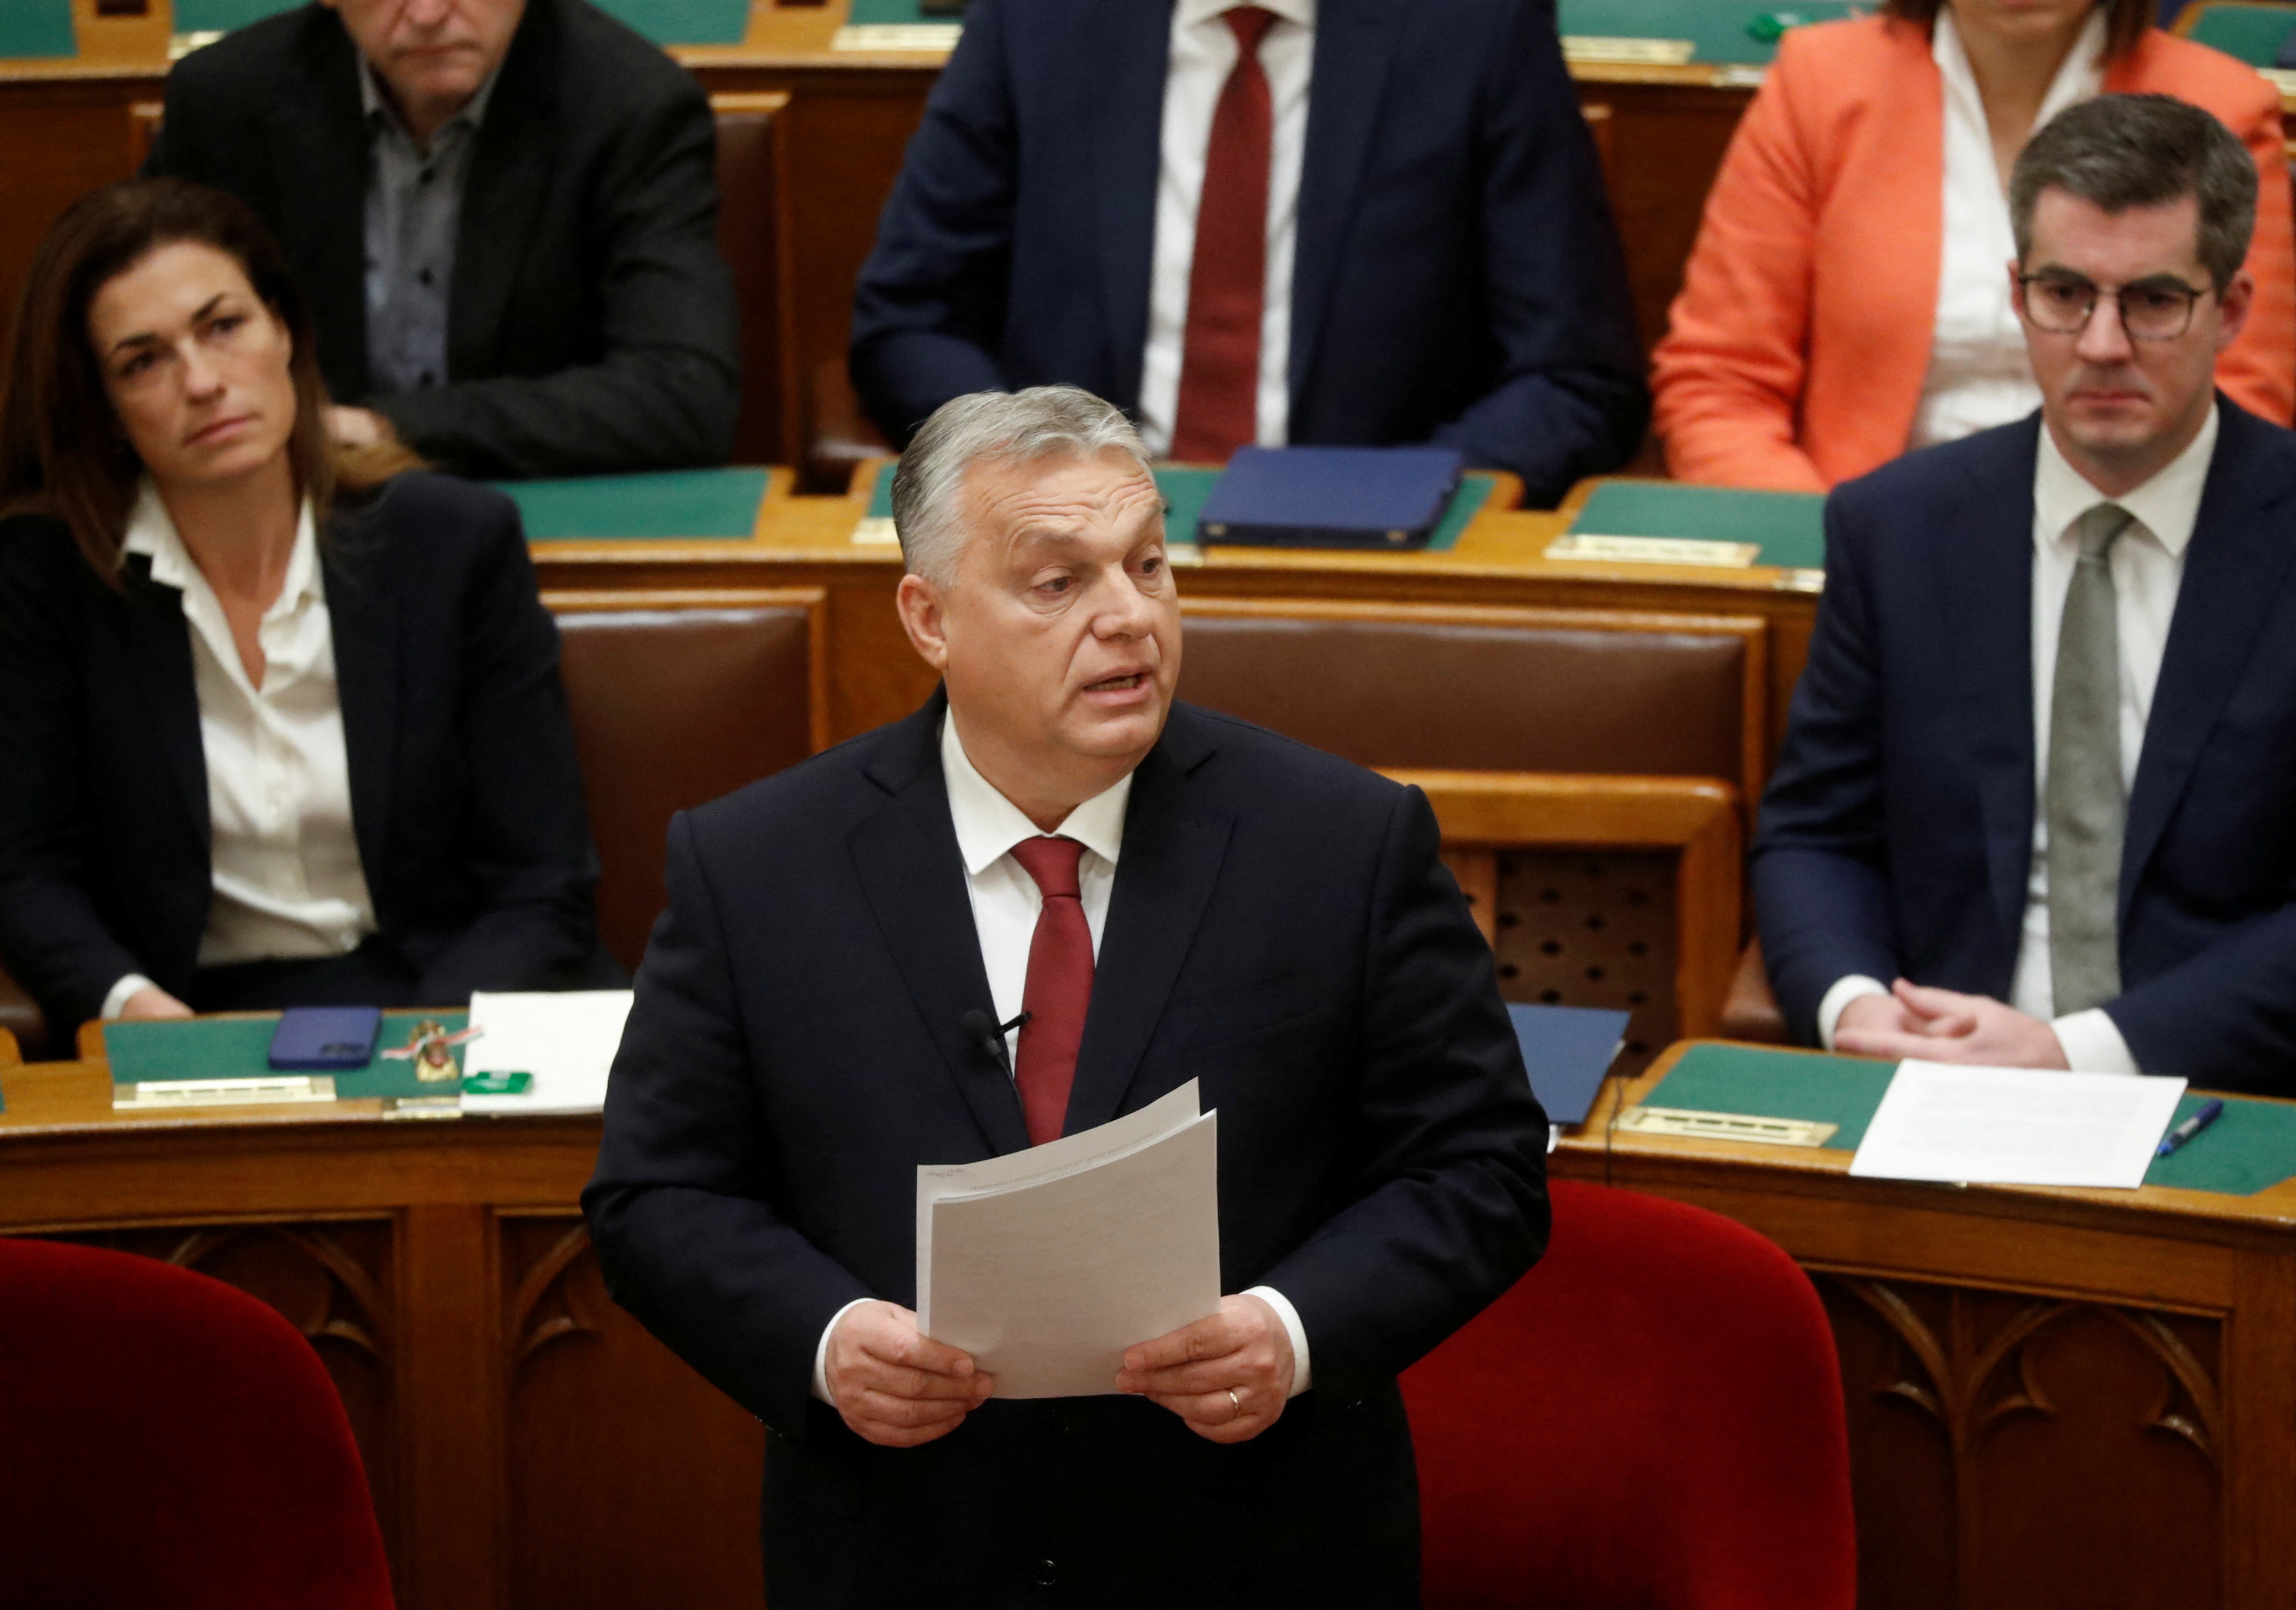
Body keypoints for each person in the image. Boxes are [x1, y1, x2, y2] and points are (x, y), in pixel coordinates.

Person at [583, 384, 1549, 1604]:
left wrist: (1292, 1328)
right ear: (930, 617)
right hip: (907, 1546)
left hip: (1253, 1541)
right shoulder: (757, 865)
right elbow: (658, 1194)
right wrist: (823, 1341)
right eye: (1058, 581)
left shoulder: (1343, 840)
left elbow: (1481, 1165)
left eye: (1148, 565)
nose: (1129, 616)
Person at [1752, 95, 2296, 1091]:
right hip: (1935, 1071)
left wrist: (2072, 1051)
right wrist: (1859, 1009)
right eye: (2065, 293)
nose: (2101, 343)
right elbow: (1815, 836)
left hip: (2222, 1092)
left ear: (2230, 309)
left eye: (2152, 300)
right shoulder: (1895, 528)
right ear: (2016, 293)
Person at [0, 178, 618, 1038]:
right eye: (143, 361)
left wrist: (416, 1049)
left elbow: (542, 880)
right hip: (199, 1017)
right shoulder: (48, 578)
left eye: (224, 326)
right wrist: (131, 1006)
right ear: (103, 409)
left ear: (284, 330)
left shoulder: (452, 545)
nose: (203, 382)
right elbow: (26, 870)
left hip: (449, 996)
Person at [847, 0, 1647, 508]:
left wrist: (1380, 497)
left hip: (1360, 560)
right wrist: (1034, 472)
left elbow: (1574, 376)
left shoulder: (1476, 25)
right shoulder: (1038, 18)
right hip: (1063, 544)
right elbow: (909, 321)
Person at [1651, 0, 2294, 491]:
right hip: (1856, 535)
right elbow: (1720, 386)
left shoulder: (2220, 104)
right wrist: (1836, 549)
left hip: (2122, 544)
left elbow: (2245, 400)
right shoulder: (1820, 82)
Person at [142, 0, 739, 480]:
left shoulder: (630, 106)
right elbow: (125, 323)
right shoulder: (227, 100)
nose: (427, 14)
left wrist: (384, 428)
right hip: (292, 508)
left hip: (526, 501)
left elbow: (684, 395)